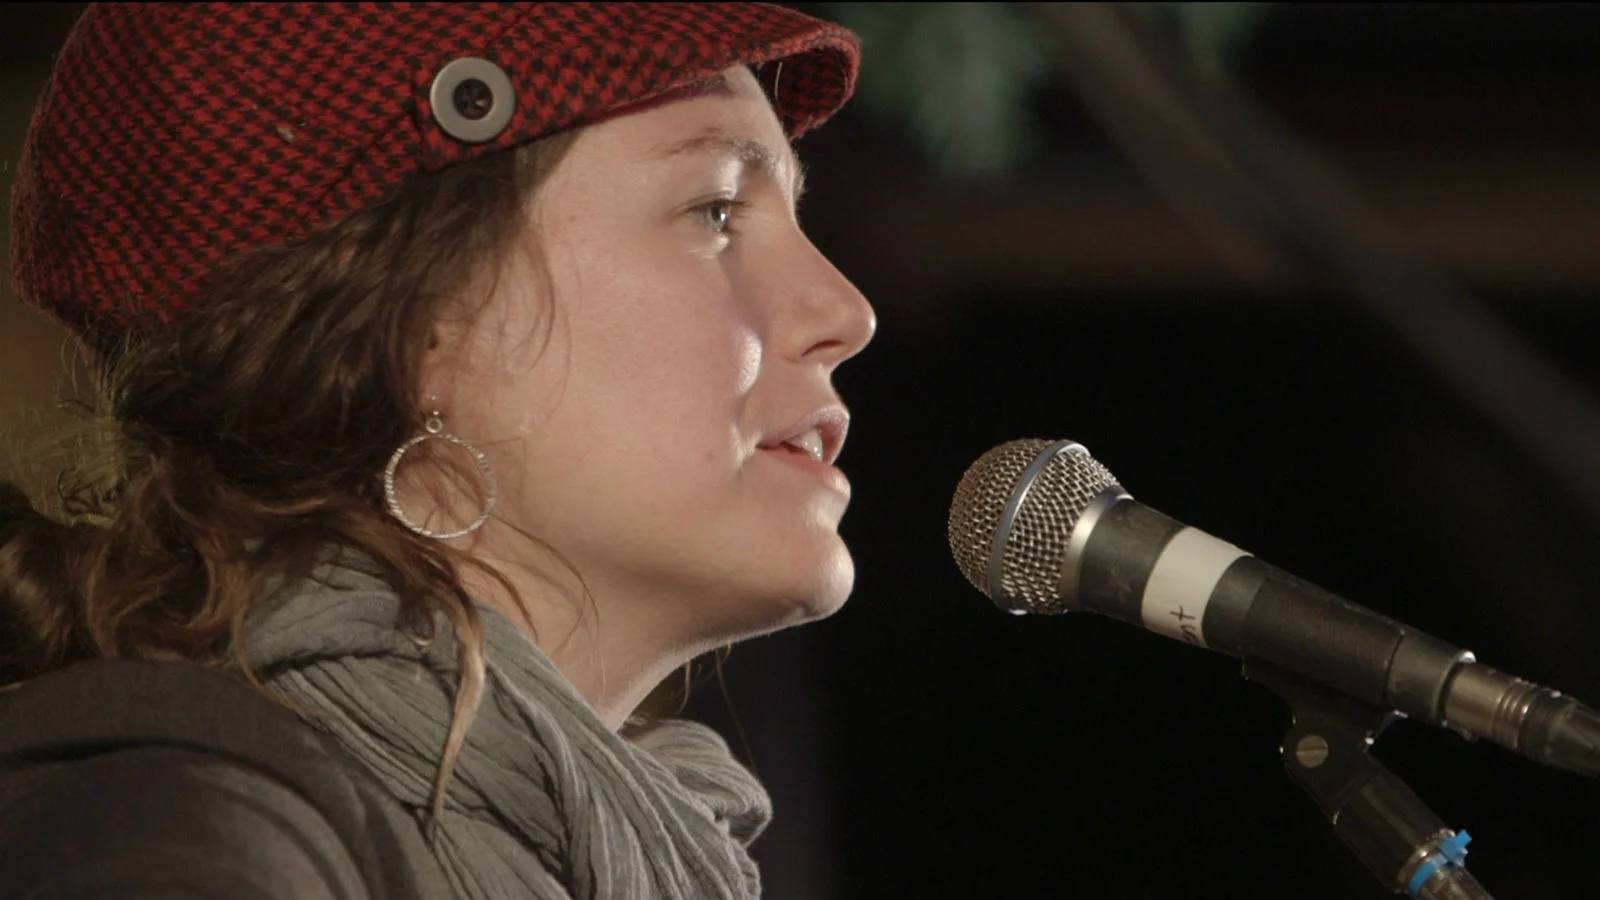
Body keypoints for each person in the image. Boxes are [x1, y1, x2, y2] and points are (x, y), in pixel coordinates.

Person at [0, 4, 874, 899]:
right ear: (414, 318)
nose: (847, 312)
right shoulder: (183, 845)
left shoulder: (615, 850)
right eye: (716, 211)